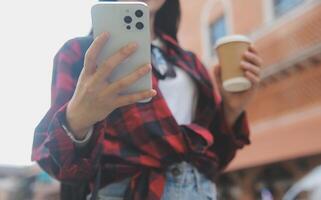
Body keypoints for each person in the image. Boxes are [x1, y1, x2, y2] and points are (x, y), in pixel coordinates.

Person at [31, 0, 263, 199]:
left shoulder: (190, 62)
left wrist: (232, 110)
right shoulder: (81, 53)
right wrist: (77, 121)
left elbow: (215, 157)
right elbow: (61, 164)